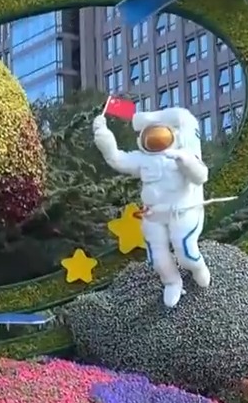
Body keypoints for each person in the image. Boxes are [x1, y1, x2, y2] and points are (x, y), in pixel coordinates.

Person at [92, 105, 214, 308]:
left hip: (181, 211)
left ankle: (198, 268)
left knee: (186, 252)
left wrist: (185, 162)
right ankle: (172, 282)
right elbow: (117, 159)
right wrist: (102, 135)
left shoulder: (184, 153)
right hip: (153, 215)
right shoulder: (142, 159)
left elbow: (201, 176)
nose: (155, 136)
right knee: (157, 258)